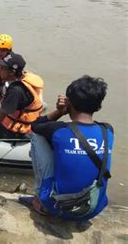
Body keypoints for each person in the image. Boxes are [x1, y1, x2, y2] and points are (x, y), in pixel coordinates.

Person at [20, 75, 113, 220]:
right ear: (99, 107)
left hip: (58, 209)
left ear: (68, 102)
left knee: (36, 136)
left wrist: (59, 111)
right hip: (93, 209)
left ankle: (41, 199)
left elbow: (34, 126)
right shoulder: (108, 131)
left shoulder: (59, 130)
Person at [0, 52, 43, 139]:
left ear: (12, 72)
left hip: (12, 132)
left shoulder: (16, 91)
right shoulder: (25, 78)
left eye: (2, 68)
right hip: (26, 126)